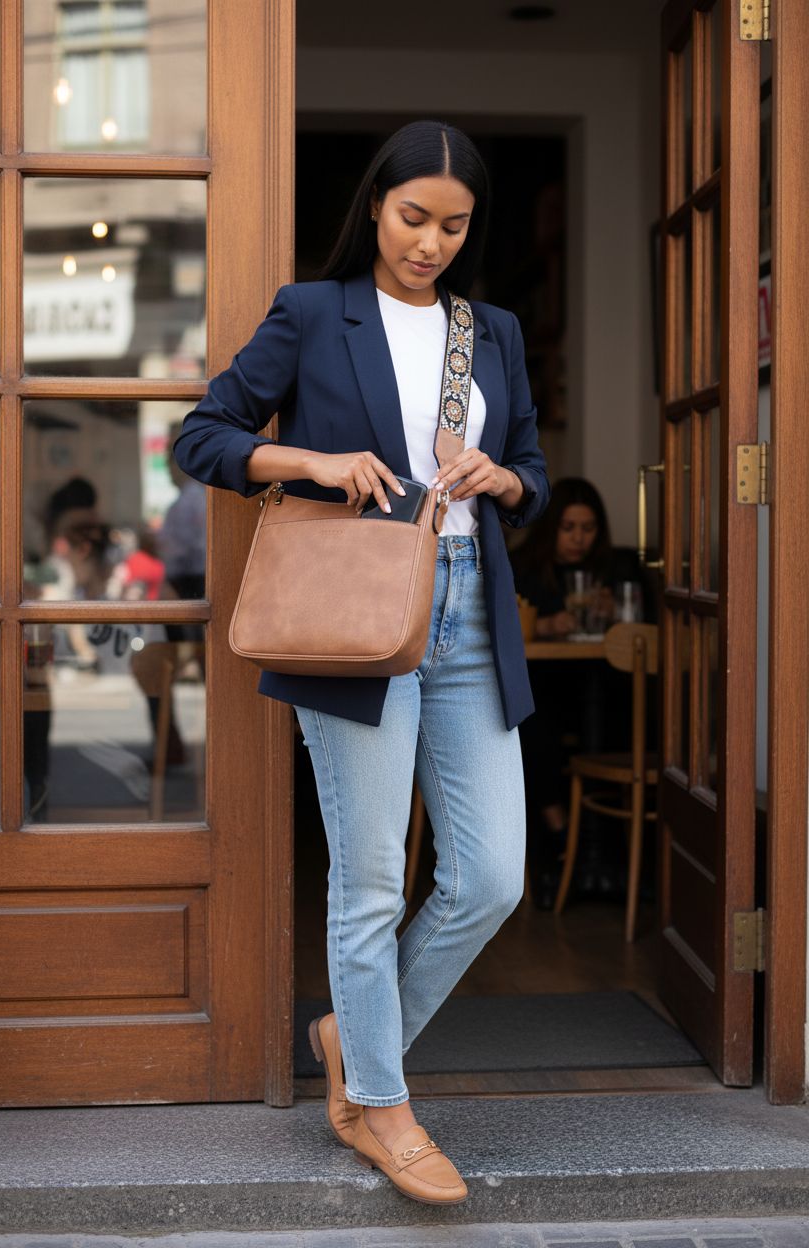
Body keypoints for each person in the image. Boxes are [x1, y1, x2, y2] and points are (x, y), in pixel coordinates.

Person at [173, 120, 549, 1205]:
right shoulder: (310, 312)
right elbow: (203, 433)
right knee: (372, 877)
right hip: (351, 612)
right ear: (374, 209)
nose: (431, 243)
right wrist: (309, 459)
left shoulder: (497, 332)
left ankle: (351, 1030)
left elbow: (528, 464)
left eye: (454, 225)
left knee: (488, 877)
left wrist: (500, 478)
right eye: (412, 218)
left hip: (470, 612)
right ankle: (381, 1109)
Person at [512, 477, 649, 906]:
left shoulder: (616, 569)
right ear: (552, 527)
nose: (578, 539)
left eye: (587, 529)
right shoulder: (525, 570)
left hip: (600, 687)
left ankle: (598, 846)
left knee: (619, 711)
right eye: (568, 528)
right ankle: (561, 829)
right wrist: (545, 625)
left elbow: (641, 628)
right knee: (529, 719)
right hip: (547, 687)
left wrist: (619, 615)